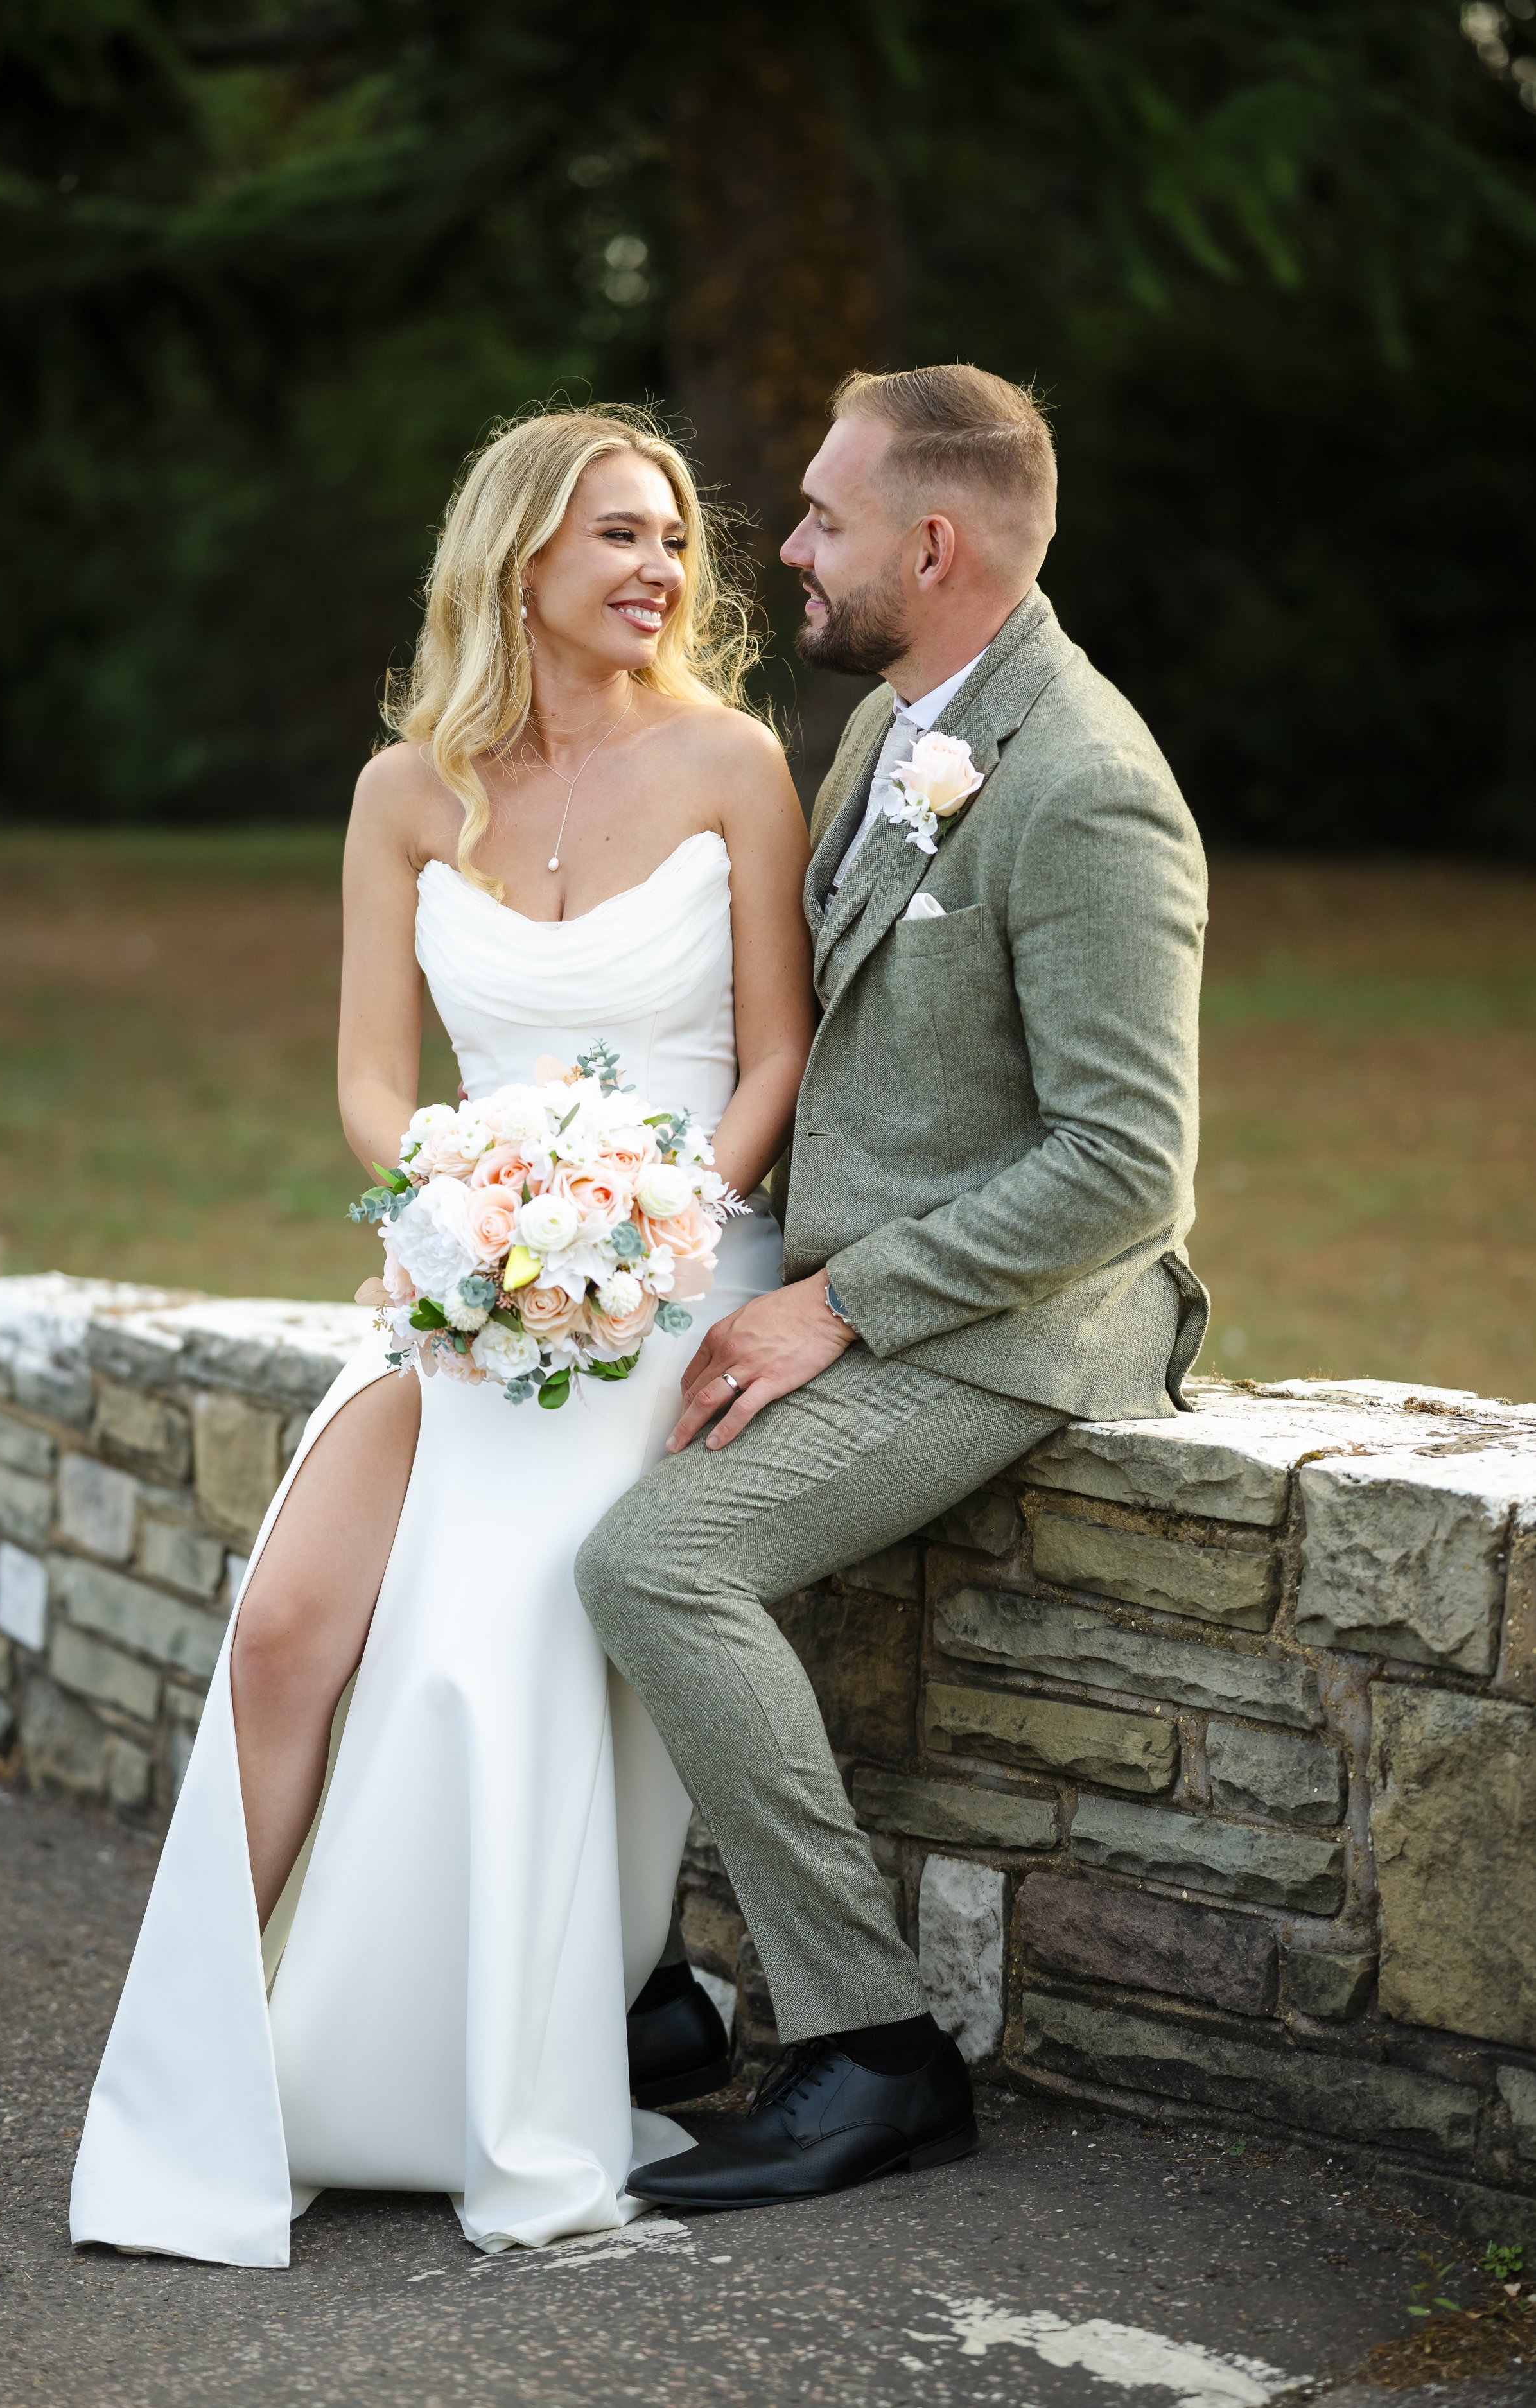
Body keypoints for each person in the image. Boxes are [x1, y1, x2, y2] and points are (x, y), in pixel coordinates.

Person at [67, 405, 816, 2265]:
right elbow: (367, 1079)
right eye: (615, 538)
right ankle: (189, 2086)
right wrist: (463, 1219)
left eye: (668, 540)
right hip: (465, 1272)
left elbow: (782, 1048)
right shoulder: (412, 791)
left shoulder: (732, 763)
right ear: (516, 563)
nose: (656, 569)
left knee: (481, 1638)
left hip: (672, 1274)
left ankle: (457, 2079)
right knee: (289, 1631)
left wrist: (653, 1228)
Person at [580, 362, 1210, 2212]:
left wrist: (835, 1306)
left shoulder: (1086, 785)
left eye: (821, 519)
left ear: (928, 544)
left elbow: (1123, 1166)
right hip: (850, 1272)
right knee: (545, 1464)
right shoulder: (898, 730)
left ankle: (871, 2048)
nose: (781, 549)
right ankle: (642, 1999)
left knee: (654, 1556)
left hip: (1020, 1324)